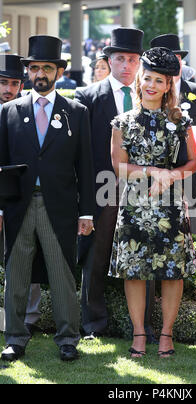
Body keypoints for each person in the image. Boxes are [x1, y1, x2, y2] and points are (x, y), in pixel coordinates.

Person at [0, 35, 95, 362]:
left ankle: (68, 339)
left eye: (48, 68)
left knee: (63, 274)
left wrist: (87, 213)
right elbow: (1, 163)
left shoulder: (76, 112)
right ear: (28, 71)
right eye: (36, 67)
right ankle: (14, 338)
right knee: (16, 273)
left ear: (58, 71)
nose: (41, 73)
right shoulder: (9, 112)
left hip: (61, 206)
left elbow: (86, 165)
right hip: (18, 206)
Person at [110, 46, 196, 358]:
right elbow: (119, 167)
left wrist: (169, 177)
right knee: (134, 271)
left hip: (171, 205)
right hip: (134, 206)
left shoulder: (180, 120)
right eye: (148, 79)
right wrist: (151, 171)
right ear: (139, 80)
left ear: (168, 85)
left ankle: (166, 335)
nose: (152, 85)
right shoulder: (122, 122)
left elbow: (193, 163)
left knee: (171, 272)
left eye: (159, 81)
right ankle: (138, 335)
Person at [75, 28, 159, 342]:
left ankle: (143, 326)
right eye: (120, 58)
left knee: (142, 257)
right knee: (96, 255)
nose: (126, 65)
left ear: (140, 62)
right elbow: (82, 152)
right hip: (102, 185)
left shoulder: (151, 95)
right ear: (109, 59)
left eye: (132, 59)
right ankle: (93, 325)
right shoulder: (87, 96)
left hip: (142, 187)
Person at [150, 34, 196, 237]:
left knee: (195, 233)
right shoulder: (147, 95)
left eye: (175, 58)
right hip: (154, 178)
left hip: (192, 177)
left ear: (180, 61)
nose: (171, 64)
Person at [0, 54, 42, 336]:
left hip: (20, 197)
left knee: (27, 259)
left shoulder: (29, 111)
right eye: (3, 82)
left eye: (15, 83)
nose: (9, 89)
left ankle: (29, 318)